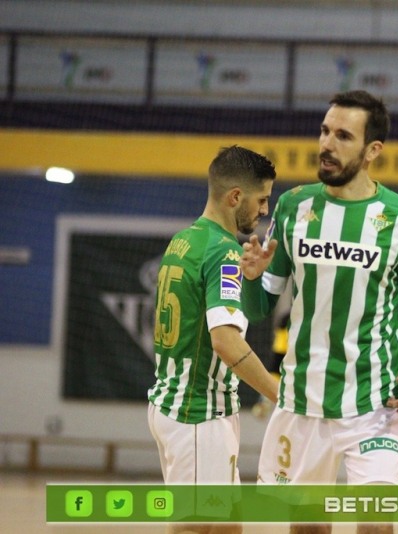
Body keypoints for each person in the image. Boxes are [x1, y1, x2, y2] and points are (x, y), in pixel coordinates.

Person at [240, 90, 398, 534]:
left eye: (343, 136)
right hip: (303, 401)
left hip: (374, 403)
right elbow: (260, 310)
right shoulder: (294, 207)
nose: (327, 144)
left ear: (373, 151)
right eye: (324, 131)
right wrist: (252, 279)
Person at [147, 145, 281, 534]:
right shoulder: (224, 251)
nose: (264, 211)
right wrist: (281, 395)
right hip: (197, 415)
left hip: (179, 404)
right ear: (235, 197)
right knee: (195, 527)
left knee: (227, 526)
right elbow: (225, 341)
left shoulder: (183, 241)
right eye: (261, 200)